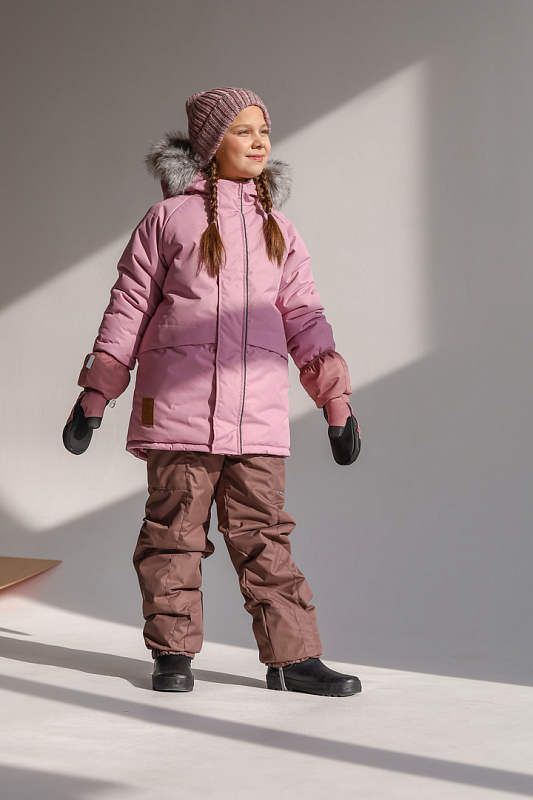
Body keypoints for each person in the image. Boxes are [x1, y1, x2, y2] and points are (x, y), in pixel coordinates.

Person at [65, 87, 362, 697]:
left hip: (257, 417)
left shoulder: (278, 228)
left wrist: (336, 402)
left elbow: (305, 317)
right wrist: (96, 394)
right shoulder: (168, 220)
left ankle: (293, 659)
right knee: (173, 534)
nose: (259, 142)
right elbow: (128, 308)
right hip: (180, 413)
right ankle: (173, 654)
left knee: (265, 536)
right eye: (243, 131)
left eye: (264, 131)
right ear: (210, 145)